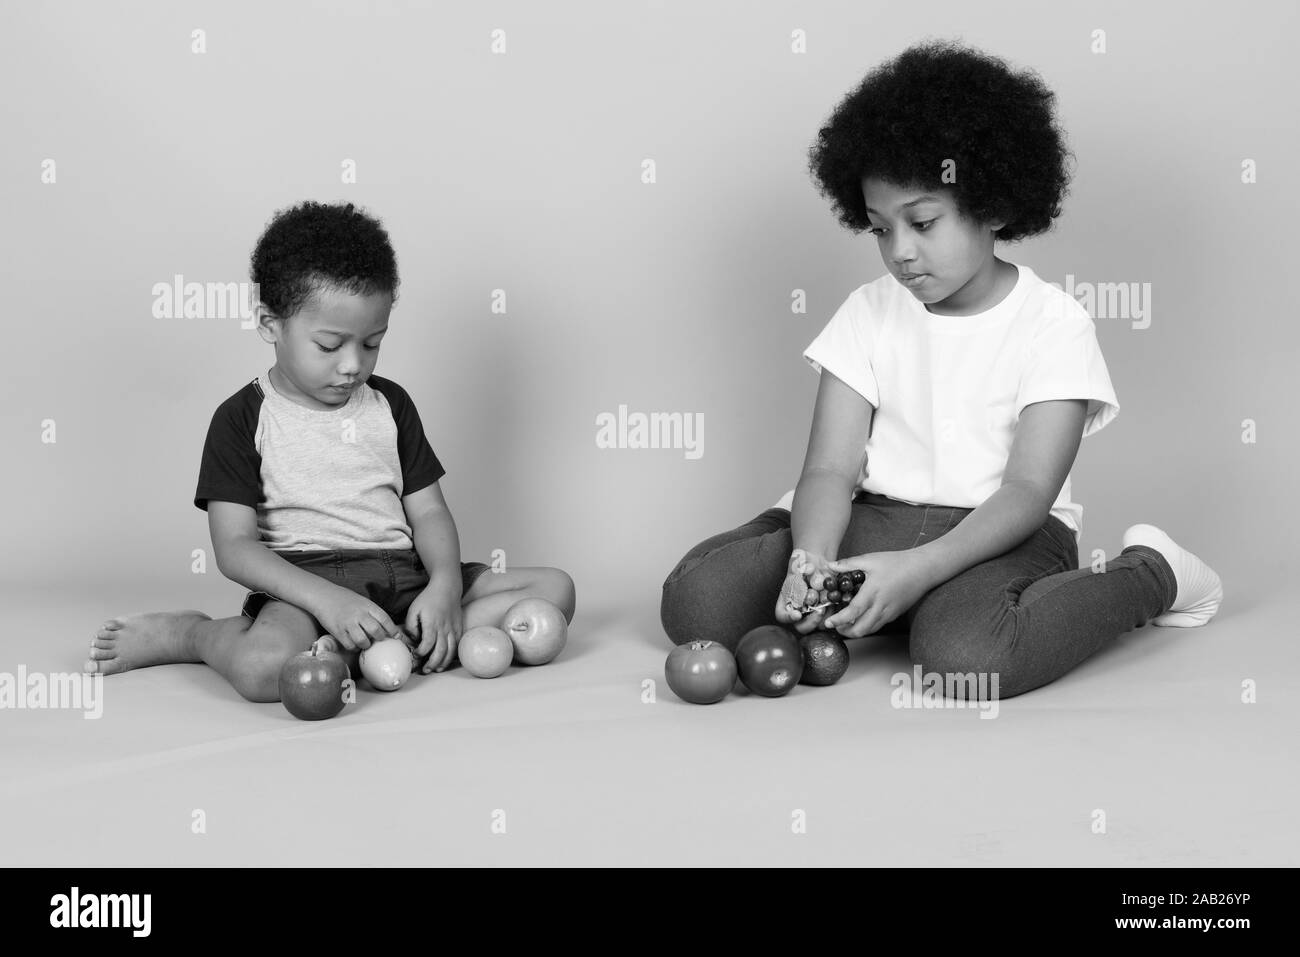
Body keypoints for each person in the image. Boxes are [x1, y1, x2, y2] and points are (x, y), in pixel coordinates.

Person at [660, 41, 1221, 700]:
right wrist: (810, 558)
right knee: (697, 606)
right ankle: (873, 590)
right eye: (879, 228)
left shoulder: (1054, 324)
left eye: (923, 222)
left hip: (1002, 532)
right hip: (874, 516)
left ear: (993, 206)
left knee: (965, 656)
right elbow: (829, 470)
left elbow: (1026, 494)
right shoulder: (867, 313)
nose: (900, 252)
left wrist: (919, 567)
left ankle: (1154, 572)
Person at [86, 201, 575, 701]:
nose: (352, 365)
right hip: (306, 586)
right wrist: (329, 601)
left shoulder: (391, 405)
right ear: (269, 323)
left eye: (372, 343)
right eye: (329, 345)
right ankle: (192, 634)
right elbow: (235, 548)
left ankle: (407, 636)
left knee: (554, 591)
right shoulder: (241, 418)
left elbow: (428, 512)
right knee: (262, 669)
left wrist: (445, 586)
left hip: (406, 579)